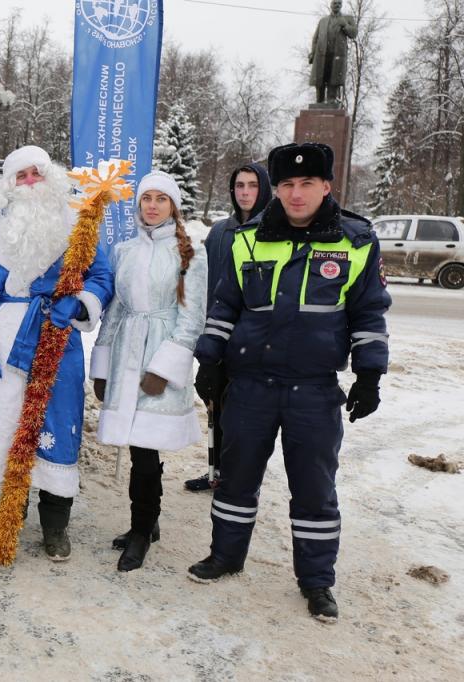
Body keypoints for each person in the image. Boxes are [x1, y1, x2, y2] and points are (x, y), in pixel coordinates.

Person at [188, 143, 391, 623]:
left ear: (326, 186)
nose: (296, 195)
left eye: (306, 185)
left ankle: (317, 582)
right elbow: (224, 307)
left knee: (315, 490)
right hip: (251, 386)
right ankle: (226, 556)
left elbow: (368, 312)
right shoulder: (249, 239)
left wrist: (369, 375)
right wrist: (210, 360)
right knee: (235, 481)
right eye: (286, 186)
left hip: (314, 390)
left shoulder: (355, 241)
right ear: (275, 190)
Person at [0, 145, 113, 562]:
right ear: (8, 183)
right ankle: (11, 517)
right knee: (9, 428)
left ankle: (56, 528)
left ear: (50, 176)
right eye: (20, 175)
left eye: (35, 174)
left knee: (57, 426)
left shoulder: (79, 221)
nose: (29, 182)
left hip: (57, 335)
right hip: (5, 338)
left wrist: (80, 303)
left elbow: (101, 274)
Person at [90, 171, 207, 571]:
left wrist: (165, 368)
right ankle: (147, 522)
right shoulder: (124, 250)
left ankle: (141, 531)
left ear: (173, 205)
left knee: (144, 450)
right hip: (126, 355)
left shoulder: (189, 252)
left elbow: (191, 319)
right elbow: (116, 310)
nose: (153, 205)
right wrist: (102, 366)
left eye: (161, 198)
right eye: (146, 198)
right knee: (138, 447)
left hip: (158, 357)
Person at [185, 163, 272, 492]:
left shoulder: (273, 231)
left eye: (252, 185)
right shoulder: (220, 231)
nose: (246, 192)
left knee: (243, 414)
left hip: (253, 339)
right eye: (240, 186)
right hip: (217, 334)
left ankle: (240, 479)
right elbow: (206, 283)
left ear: (263, 188)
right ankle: (216, 472)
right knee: (215, 404)